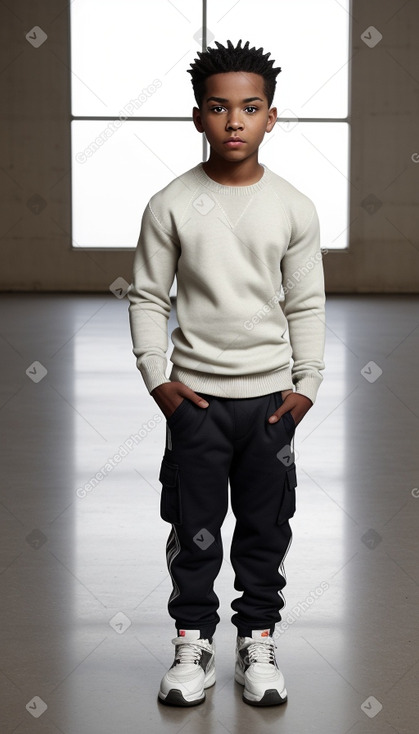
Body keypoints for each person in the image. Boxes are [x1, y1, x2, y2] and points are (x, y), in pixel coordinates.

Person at [128, 39, 326, 708]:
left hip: (271, 403)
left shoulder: (294, 206)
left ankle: (257, 644)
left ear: (271, 117)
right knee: (195, 528)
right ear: (197, 118)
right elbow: (149, 297)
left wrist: (306, 386)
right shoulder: (170, 202)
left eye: (249, 107)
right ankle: (193, 648)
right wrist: (159, 382)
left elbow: (304, 301)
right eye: (218, 108)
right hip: (198, 404)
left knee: (267, 530)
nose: (233, 121)